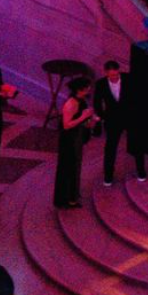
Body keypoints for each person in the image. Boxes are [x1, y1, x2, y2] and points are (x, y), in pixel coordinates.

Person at [94, 60, 144, 185]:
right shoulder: (100, 84)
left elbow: (138, 97)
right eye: (111, 75)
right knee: (110, 148)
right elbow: (97, 102)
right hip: (112, 120)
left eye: (116, 74)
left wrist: (136, 114)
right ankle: (108, 177)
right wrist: (103, 116)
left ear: (119, 71)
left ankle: (141, 172)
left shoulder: (129, 79)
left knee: (137, 144)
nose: (114, 77)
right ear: (106, 73)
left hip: (130, 117)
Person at [53, 77, 96, 209]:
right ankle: (65, 199)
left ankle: (73, 196)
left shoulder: (82, 101)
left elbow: (82, 121)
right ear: (79, 89)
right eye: (86, 88)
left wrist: (90, 121)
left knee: (75, 167)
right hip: (69, 141)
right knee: (68, 168)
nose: (89, 89)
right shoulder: (70, 103)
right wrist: (83, 117)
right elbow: (66, 125)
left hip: (77, 138)